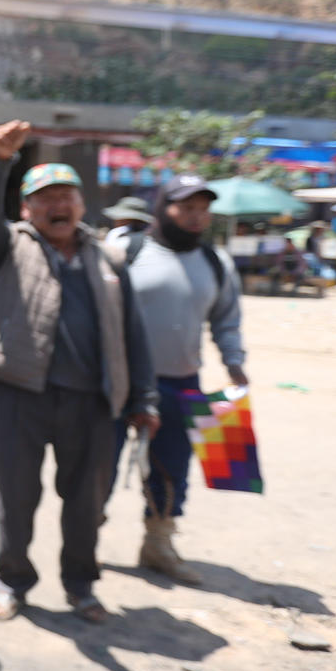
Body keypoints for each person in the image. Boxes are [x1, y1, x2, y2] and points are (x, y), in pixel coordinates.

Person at [0, 122, 158, 624]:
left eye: (66, 197)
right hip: (20, 396)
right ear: (27, 209)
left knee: (85, 503)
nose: (57, 206)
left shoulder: (109, 259)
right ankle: (12, 582)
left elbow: (134, 335)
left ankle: (81, 586)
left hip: (91, 402)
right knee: (17, 497)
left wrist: (144, 399)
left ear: (81, 204)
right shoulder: (8, 247)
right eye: (45, 198)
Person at [106, 176, 246, 584]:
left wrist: (234, 362)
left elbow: (226, 319)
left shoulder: (216, 263)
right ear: (163, 208)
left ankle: (158, 544)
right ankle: (83, 542)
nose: (196, 216)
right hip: (119, 381)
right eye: (185, 207)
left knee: (172, 468)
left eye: (203, 209)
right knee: (99, 463)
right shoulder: (126, 252)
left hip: (181, 381)